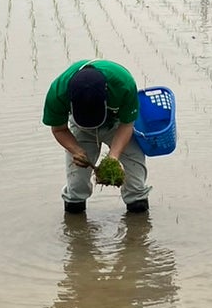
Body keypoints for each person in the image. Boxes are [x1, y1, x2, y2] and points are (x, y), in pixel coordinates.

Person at [42, 60, 151, 215]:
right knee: (77, 184)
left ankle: (137, 226)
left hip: (117, 123)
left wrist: (113, 157)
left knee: (136, 184)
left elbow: (127, 125)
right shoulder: (58, 92)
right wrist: (76, 149)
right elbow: (59, 129)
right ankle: (76, 221)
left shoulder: (123, 84)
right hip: (80, 128)